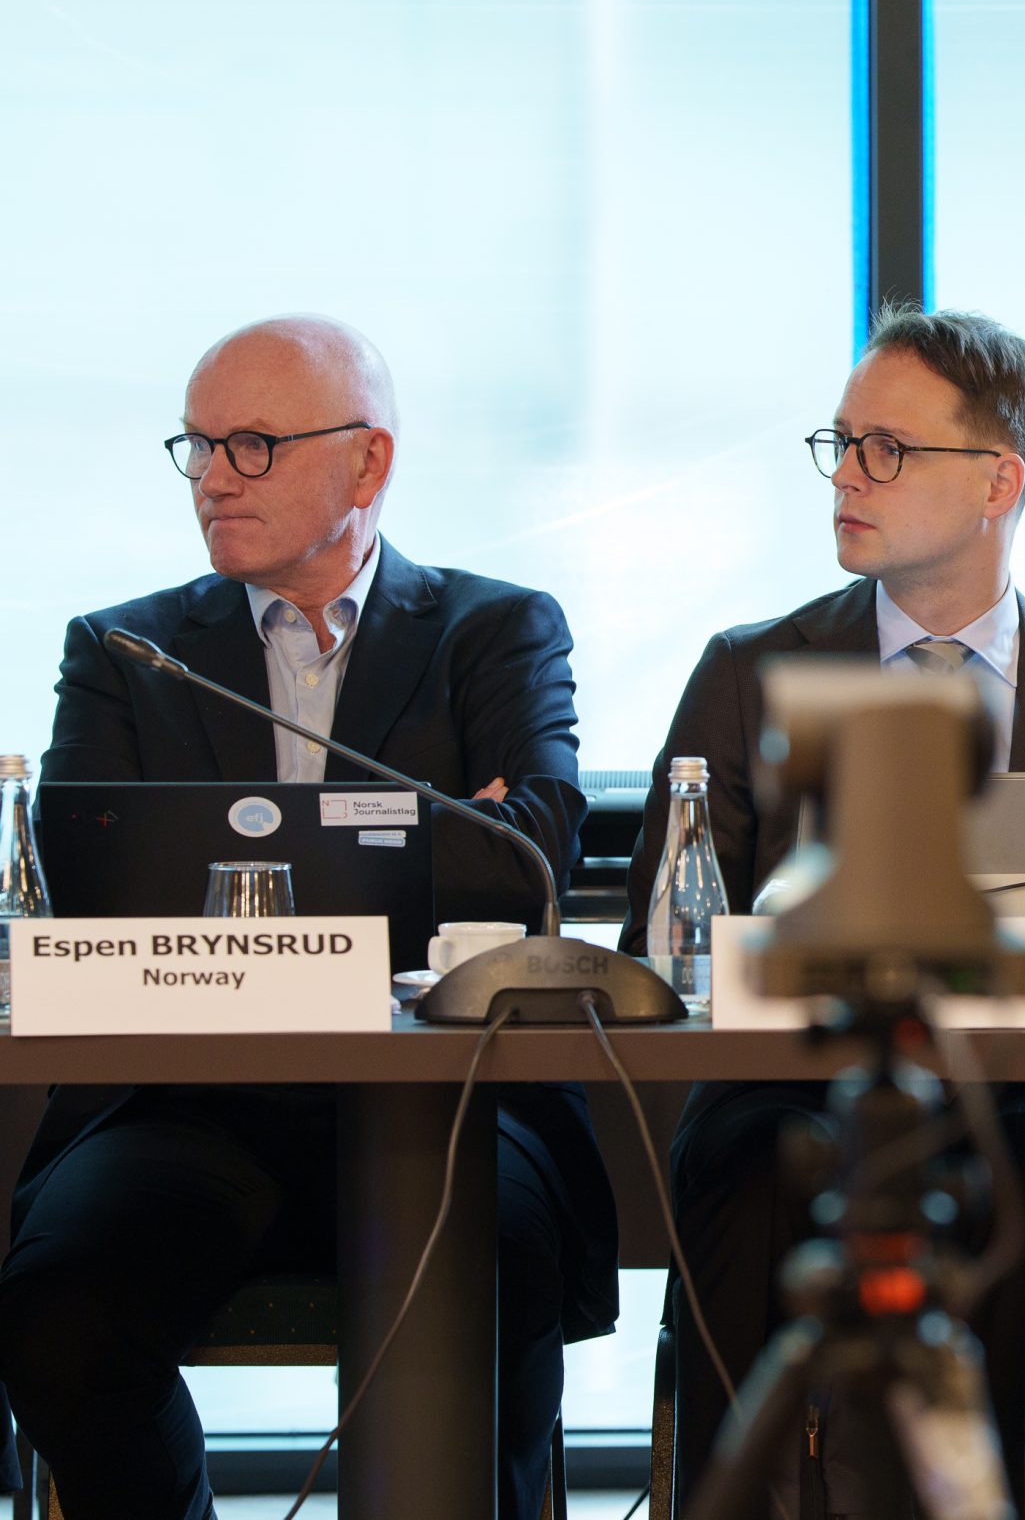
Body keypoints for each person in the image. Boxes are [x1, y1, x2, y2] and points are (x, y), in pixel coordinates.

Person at [0, 315, 617, 1520]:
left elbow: (529, 857)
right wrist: (416, 839)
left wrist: (250, 874)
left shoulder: (495, 630)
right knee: (57, 1314)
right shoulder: (129, 650)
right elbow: (97, 882)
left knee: (493, 1280)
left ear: (368, 460)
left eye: (253, 444)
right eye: (197, 445)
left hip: (450, 1102)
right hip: (190, 1100)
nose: (212, 477)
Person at [629, 306, 1025, 1518]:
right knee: (745, 1170)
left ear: (998, 481)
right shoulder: (750, 673)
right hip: (799, 1083)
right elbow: (664, 942)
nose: (846, 474)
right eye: (839, 442)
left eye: (885, 448)